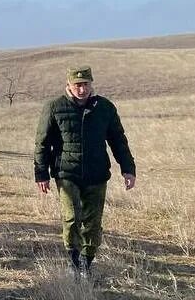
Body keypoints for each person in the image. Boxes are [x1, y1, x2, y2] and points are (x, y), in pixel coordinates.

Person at [34, 66, 135, 278]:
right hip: (66, 173)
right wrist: (41, 173)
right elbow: (42, 143)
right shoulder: (54, 107)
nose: (82, 89)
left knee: (93, 221)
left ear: (91, 84)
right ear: (68, 86)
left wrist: (128, 169)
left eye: (86, 84)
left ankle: (86, 262)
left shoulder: (105, 108)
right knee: (71, 218)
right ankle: (72, 260)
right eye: (77, 85)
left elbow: (118, 140)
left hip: (97, 174)